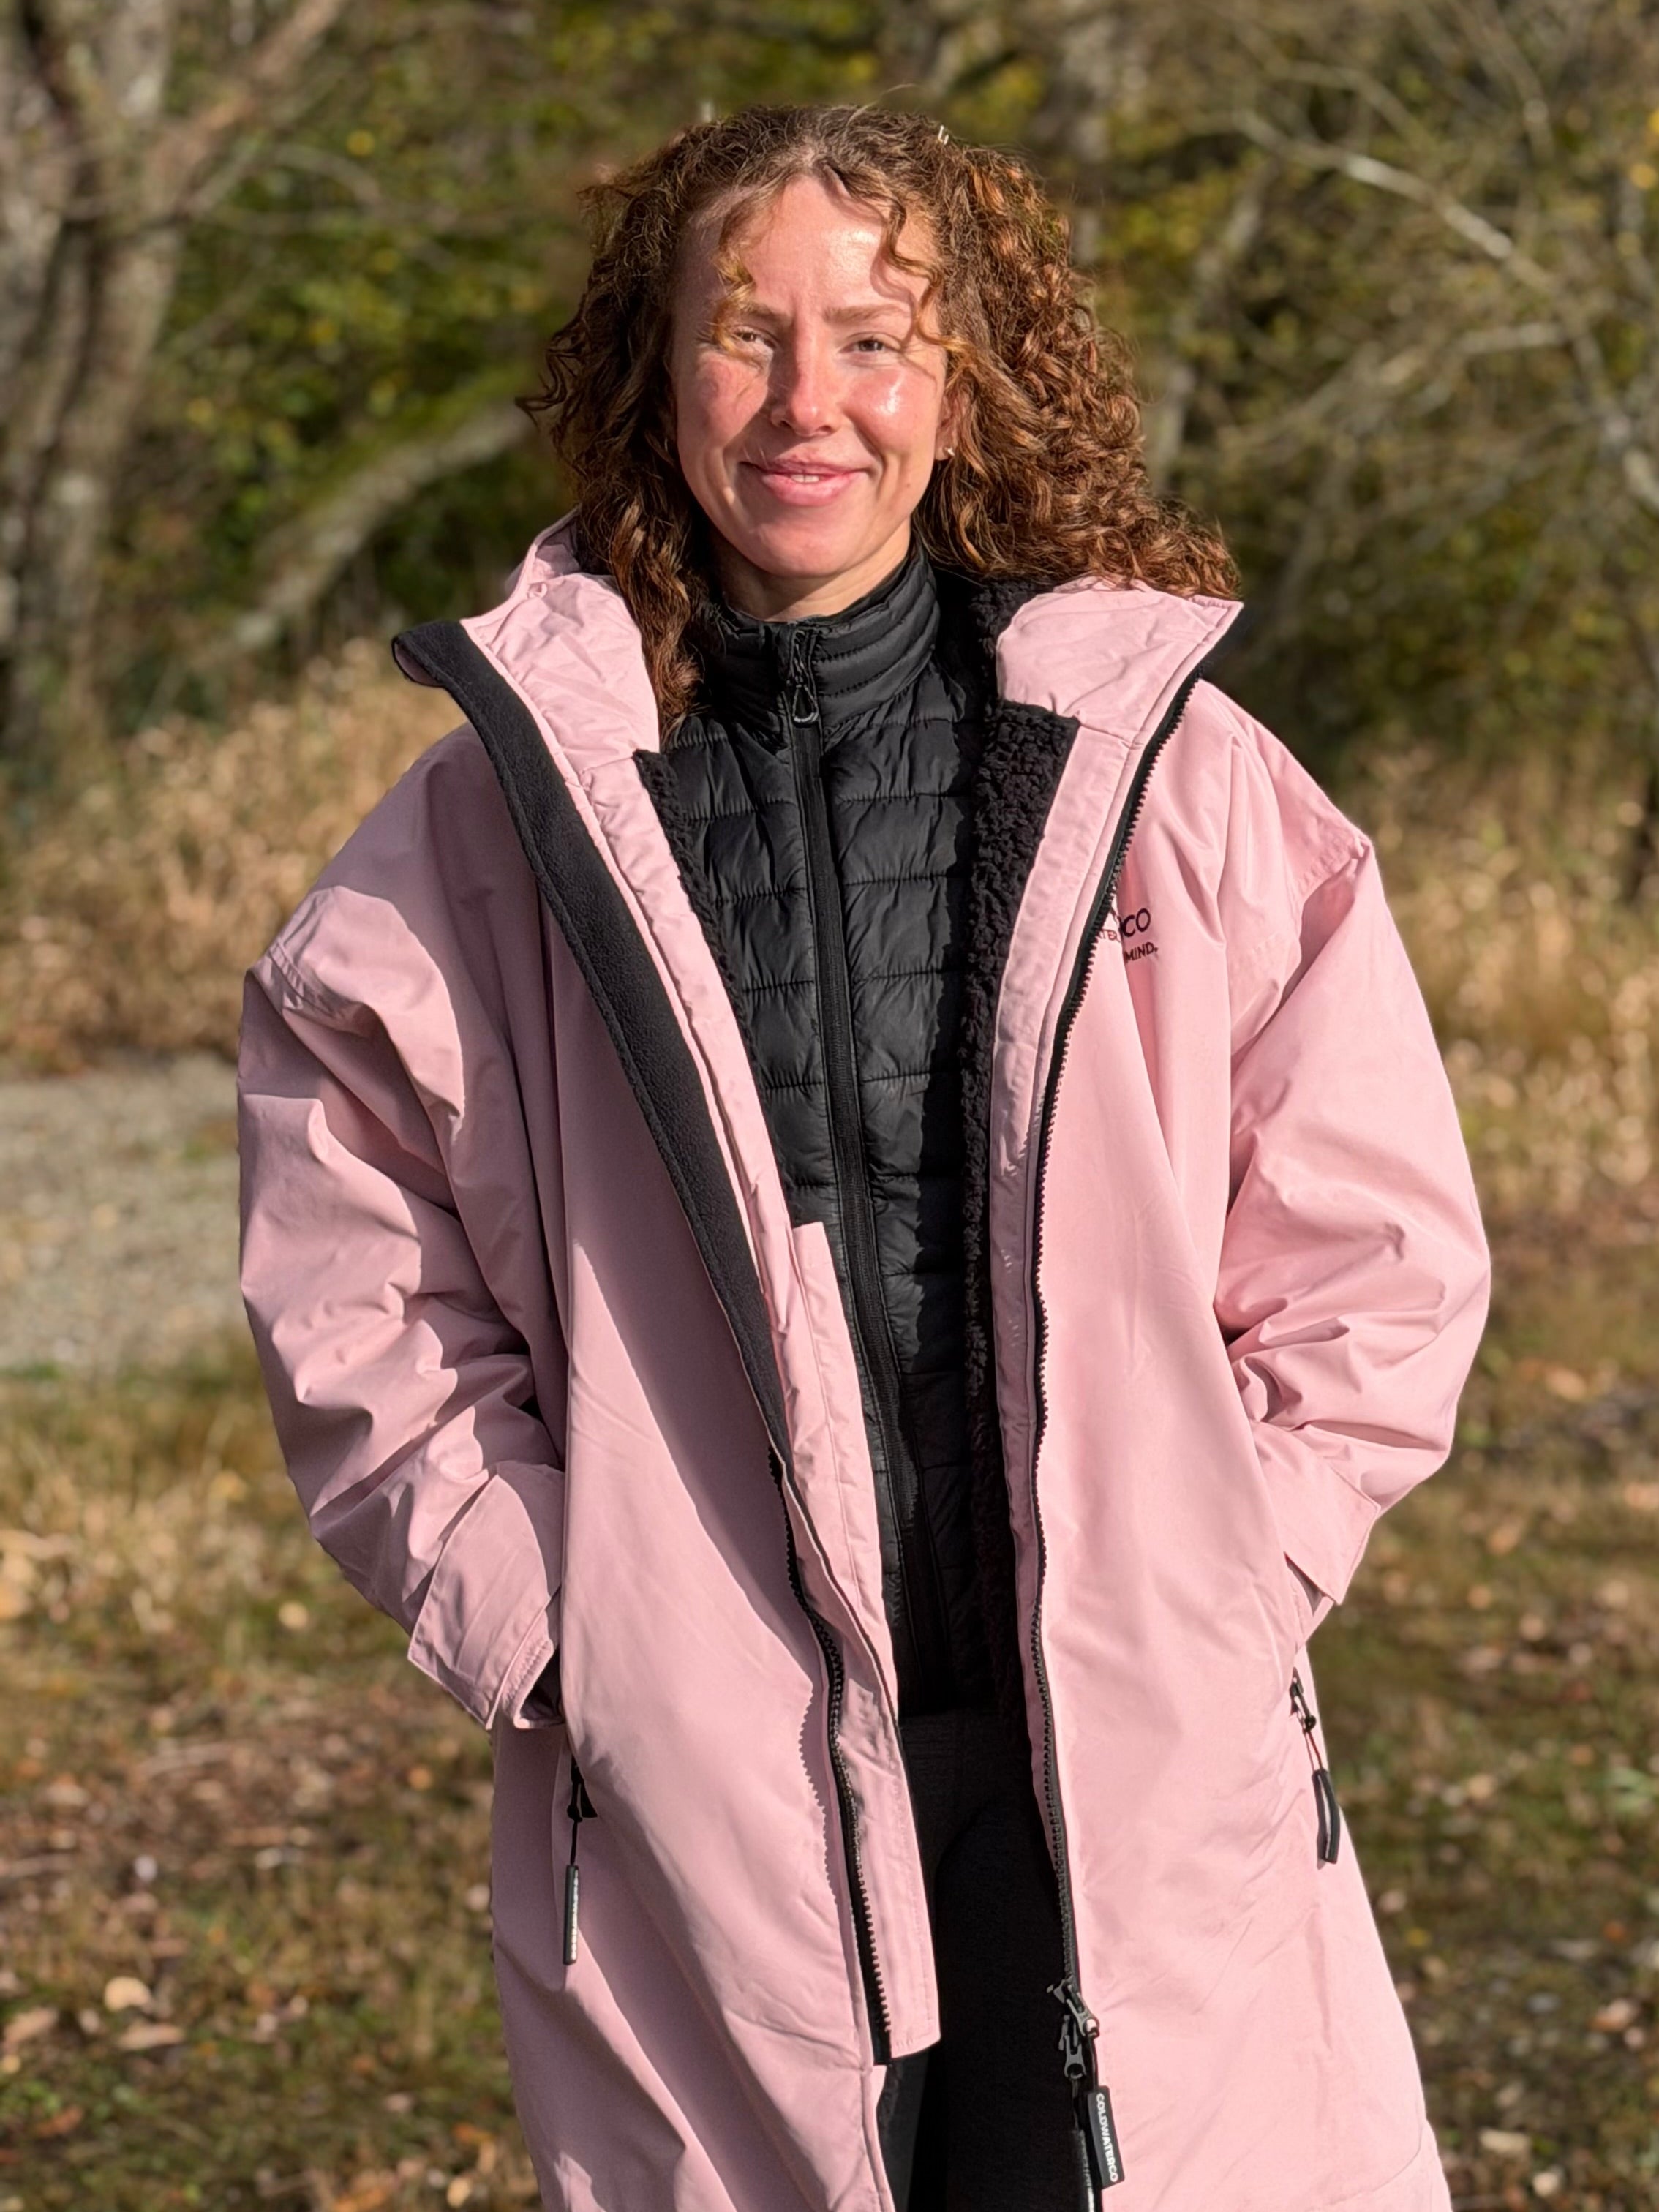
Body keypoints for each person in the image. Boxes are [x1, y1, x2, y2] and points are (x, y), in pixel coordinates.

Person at [236, 103, 1489, 2212]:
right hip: (705, 1791)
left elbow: (1378, 1254)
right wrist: (561, 1629)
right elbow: (354, 1269)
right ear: (654, 374)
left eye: (876, 339)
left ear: (962, 382)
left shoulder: (1166, 777)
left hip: (1122, 1756)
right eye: (744, 333)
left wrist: (1223, 1576)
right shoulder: (506, 827)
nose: (810, 403)